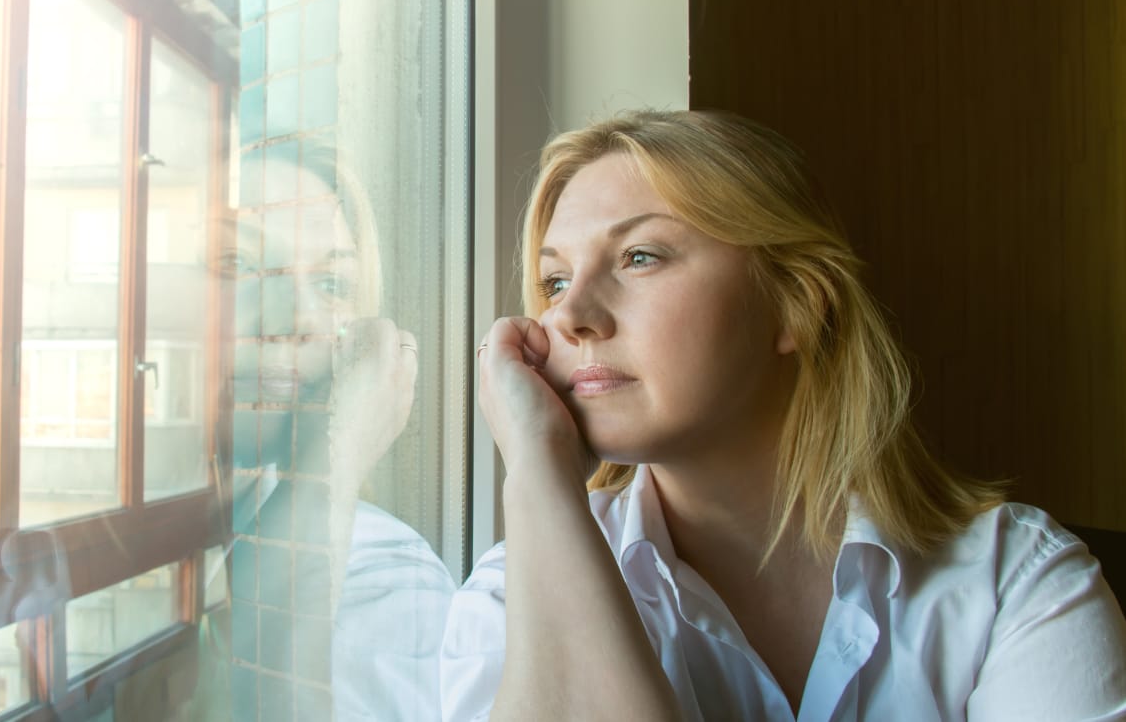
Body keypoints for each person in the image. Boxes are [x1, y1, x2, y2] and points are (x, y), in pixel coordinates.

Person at [442, 110, 1126, 721]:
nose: (569, 315)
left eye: (640, 256)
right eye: (555, 280)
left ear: (797, 304)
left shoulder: (1013, 581)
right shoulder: (509, 598)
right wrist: (538, 472)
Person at [218, 145, 454, 720]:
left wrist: (329, 464)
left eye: (330, 281)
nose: (295, 316)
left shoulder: (387, 581)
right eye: (236, 266)